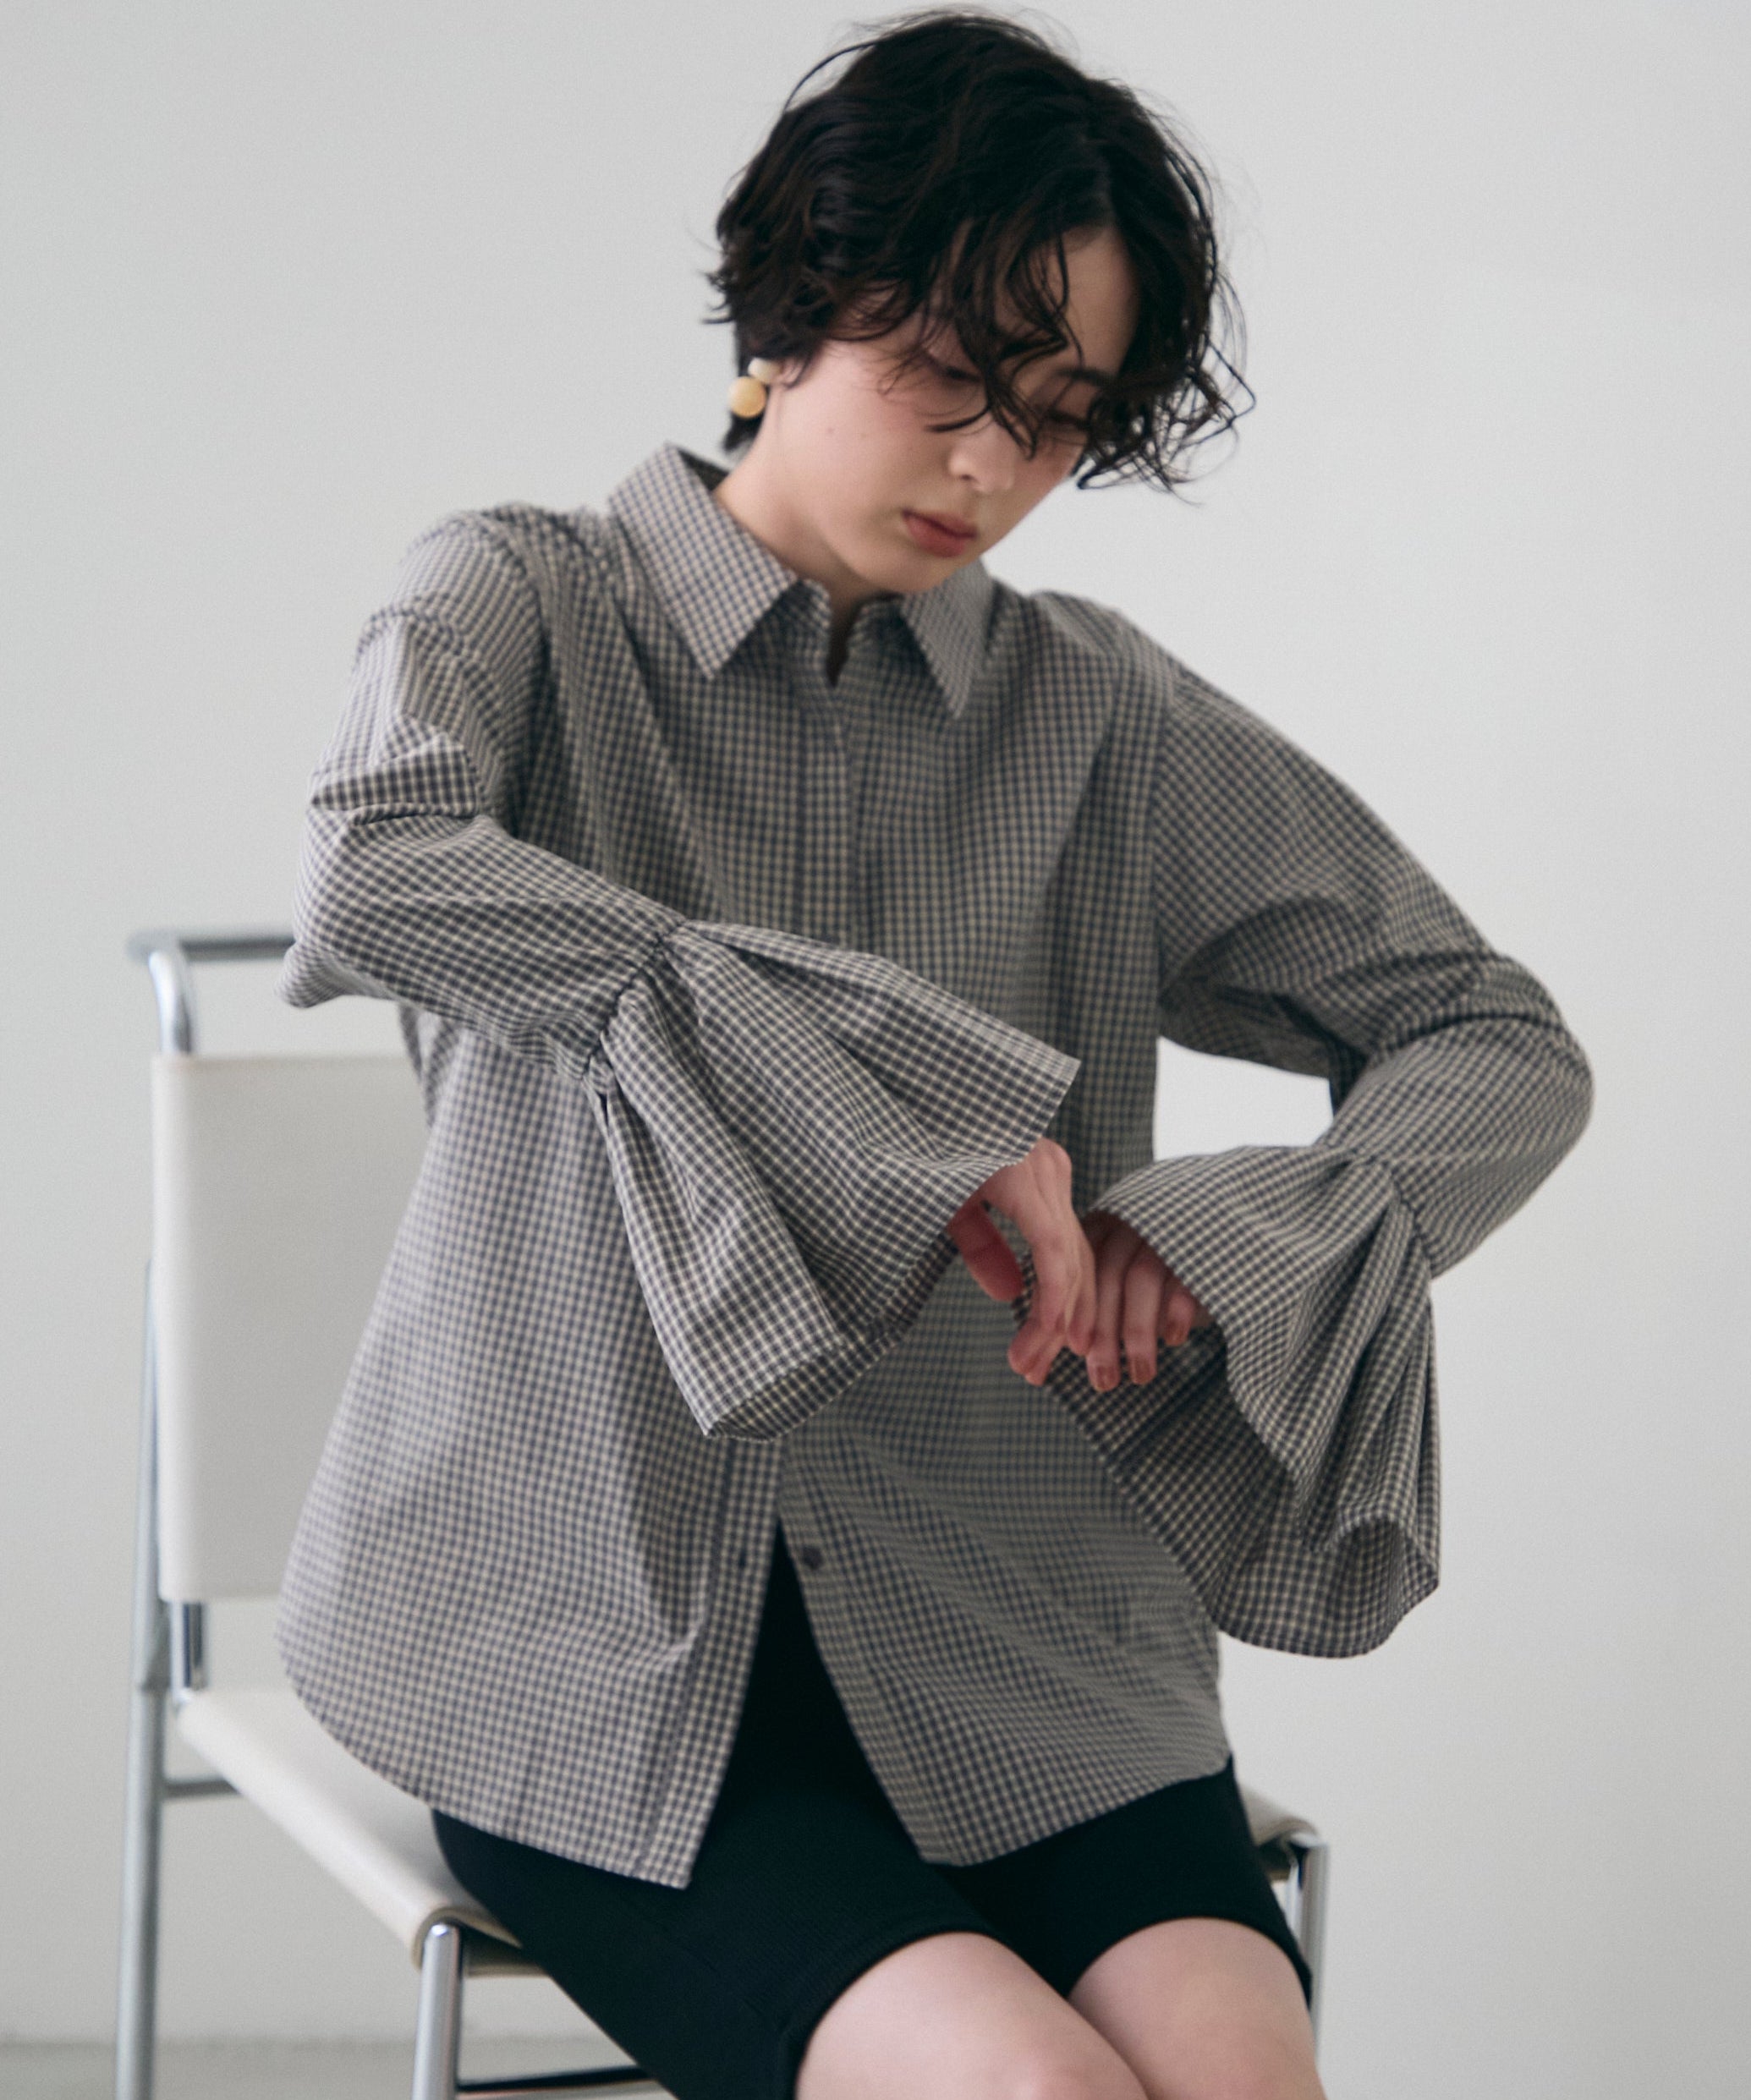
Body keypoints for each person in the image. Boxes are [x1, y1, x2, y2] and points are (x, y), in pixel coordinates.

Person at [271, 11, 1595, 2100]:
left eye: (1061, 420)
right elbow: (374, 866)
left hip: (1023, 1642)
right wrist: (886, 1115)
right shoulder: (522, 599)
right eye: (954, 379)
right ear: (796, 305)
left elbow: (1495, 1038)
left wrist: (1227, 1238)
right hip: (593, 1649)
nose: (996, 470)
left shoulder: (1100, 717)